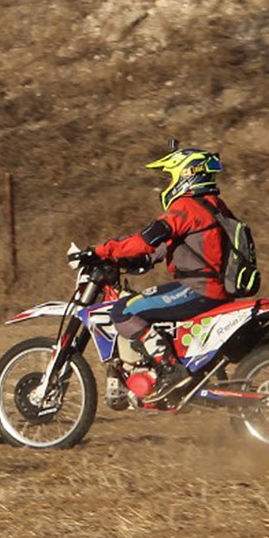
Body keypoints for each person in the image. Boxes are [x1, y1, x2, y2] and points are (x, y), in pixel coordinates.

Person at [88, 146, 237, 403]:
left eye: (171, 176)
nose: (168, 184)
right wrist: (139, 259)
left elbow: (147, 239)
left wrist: (102, 250)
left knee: (123, 310)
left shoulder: (186, 207)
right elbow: (174, 244)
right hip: (215, 288)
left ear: (186, 174)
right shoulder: (215, 206)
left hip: (197, 289)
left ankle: (170, 369)